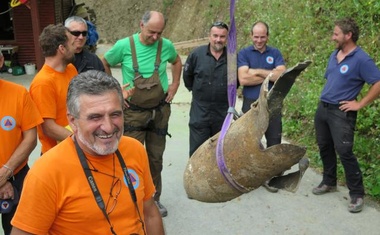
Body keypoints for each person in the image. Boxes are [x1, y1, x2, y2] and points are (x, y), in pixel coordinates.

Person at [10, 70, 165, 235]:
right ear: (72, 120)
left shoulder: (135, 149)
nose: (108, 127)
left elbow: (150, 213)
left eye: (115, 114)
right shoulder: (46, 172)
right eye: (95, 117)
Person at [101, 10, 182, 217]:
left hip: (160, 111)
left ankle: (154, 200)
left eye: (159, 33)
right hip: (133, 113)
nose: (155, 37)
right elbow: (105, 62)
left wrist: (174, 84)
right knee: (130, 158)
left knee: (155, 158)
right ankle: (130, 200)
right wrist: (115, 89)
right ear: (141, 25)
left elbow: (177, 61)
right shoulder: (124, 46)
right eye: (151, 32)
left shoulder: (166, 46)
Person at [312, 17, 380, 213]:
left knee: (344, 152)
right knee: (324, 146)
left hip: (341, 113)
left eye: (336, 34)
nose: (333, 37)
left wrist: (360, 103)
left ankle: (357, 194)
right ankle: (329, 181)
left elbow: (377, 82)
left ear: (348, 35)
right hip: (323, 108)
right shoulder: (335, 55)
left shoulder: (361, 59)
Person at [237, 21, 286, 193]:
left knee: (274, 141)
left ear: (268, 36)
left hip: (273, 103)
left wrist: (256, 72)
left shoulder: (275, 53)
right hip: (252, 104)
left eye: (262, 36)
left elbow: (282, 76)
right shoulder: (243, 53)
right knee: (250, 142)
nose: (259, 40)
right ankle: (252, 175)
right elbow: (243, 79)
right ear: (251, 36)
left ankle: (271, 176)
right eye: (256, 36)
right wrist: (270, 75)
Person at [0, 78, 43, 235]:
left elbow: (31, 138)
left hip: (17, 178)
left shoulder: (19, 93)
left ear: (1, 61)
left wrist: (5, 173)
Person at [29, 24, 78, 154]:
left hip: (75, 147)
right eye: (72, 44)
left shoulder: (71, 69)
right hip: (57, 153)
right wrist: (81, 141)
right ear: (62, 48)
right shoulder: (43, 83)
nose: (76, 47)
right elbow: (49, 128)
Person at [183, 21, 229, 157]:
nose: (218, 40)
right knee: (197, 152)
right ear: (209, 36)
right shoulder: (196, 55)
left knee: (220, 153)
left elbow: (236, 82)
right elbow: (188, 78)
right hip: (200, 112)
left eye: (222, 37)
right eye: (215, 36)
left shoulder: (233, 58)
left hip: (222, 113)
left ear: (227, 38)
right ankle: (194, 178)